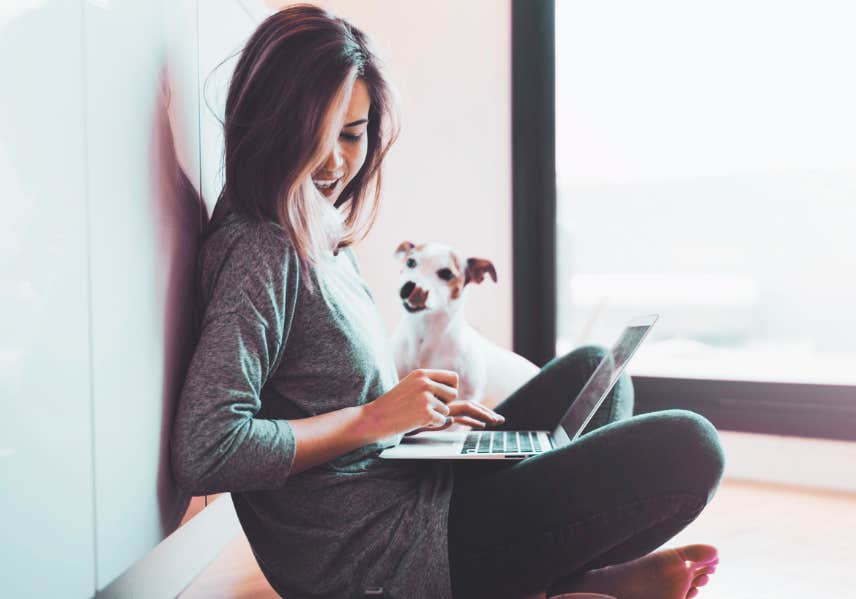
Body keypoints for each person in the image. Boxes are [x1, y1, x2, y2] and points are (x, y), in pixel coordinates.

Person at [170, 4, 724, 598]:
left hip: (413, 493)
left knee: (599, 372)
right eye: (317, 135)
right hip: (377, 556)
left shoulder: (319, 229)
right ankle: (575, 584)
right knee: (690, 447)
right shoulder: (258, 250)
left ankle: (562, 580)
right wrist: (375, 419)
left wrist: (416, 431)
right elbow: (207, 450)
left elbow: (328, 403)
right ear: (270, 123)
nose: (335, 163)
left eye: (353, 134)